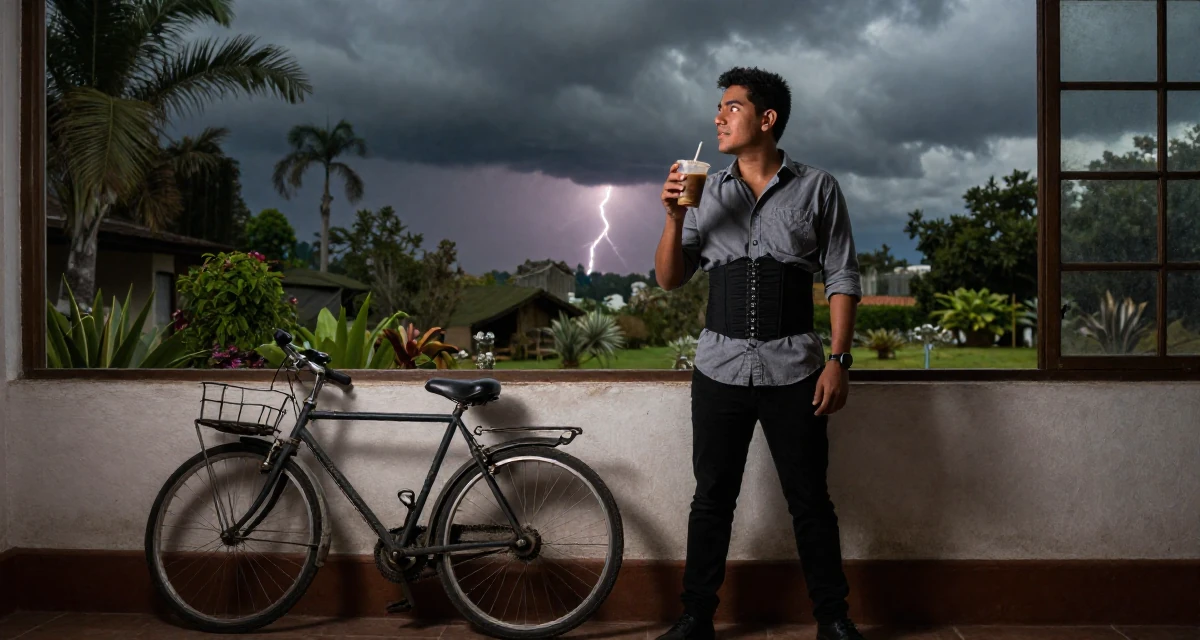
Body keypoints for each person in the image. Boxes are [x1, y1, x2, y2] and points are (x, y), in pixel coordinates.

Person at [653, 67, 864, 640]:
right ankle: (695, 617)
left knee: (810, 501)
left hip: (795, 370)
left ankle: (834, 619)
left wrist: (838, 362)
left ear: (766, 119)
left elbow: (842, 275)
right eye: (717, 108)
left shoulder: (818, 187)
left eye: (732, 107)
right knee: (712, 498)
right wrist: (673, 218)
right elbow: (671, 278)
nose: (718, 117)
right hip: (718, 368)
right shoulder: (705, 191)